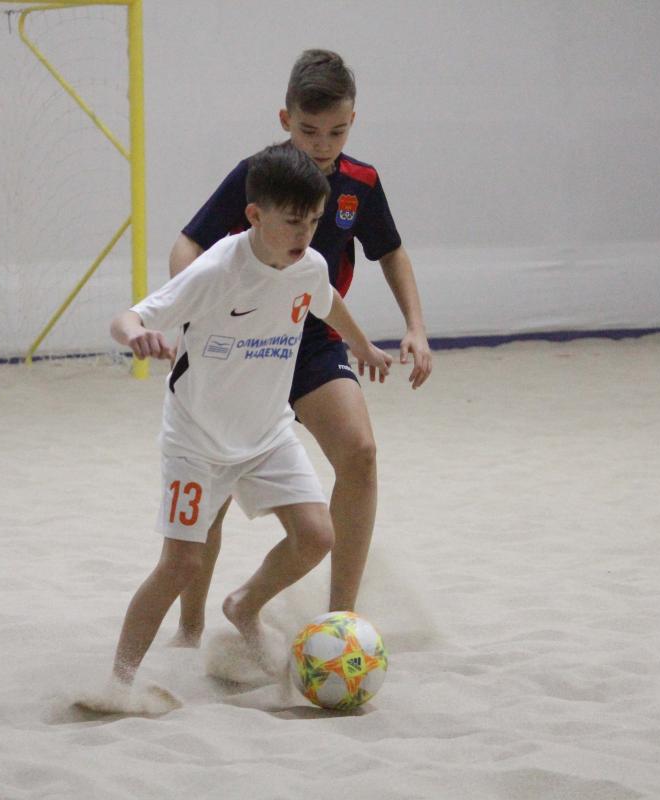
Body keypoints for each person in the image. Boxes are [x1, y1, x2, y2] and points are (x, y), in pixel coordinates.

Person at [94, 143, 392, 706]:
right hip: (197, 441)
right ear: (255, 215)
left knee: (317, 536)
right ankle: (117, 684)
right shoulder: (217, 271)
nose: (305, 232)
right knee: (179, 564)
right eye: (293, 221)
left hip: (267, 434)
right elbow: (127, 316)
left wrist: (364, 346)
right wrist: (137, 334)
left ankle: (243, 605)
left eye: (314, 220)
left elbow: (327, 300)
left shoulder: (309, 264)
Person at [167, 49, 432, 644]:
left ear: (353, 121)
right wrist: (191, 307)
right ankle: (189, 630)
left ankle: (338, 623)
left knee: (360, 453)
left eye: (336, 131)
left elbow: (391, 251)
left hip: (311, 335)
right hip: (241, 339)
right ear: (285, 119)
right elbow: (188, 243)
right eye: (309, 131)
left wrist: (414, 326)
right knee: (214, 486)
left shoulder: (360, 184)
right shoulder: (257, 175)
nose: (322, 144)